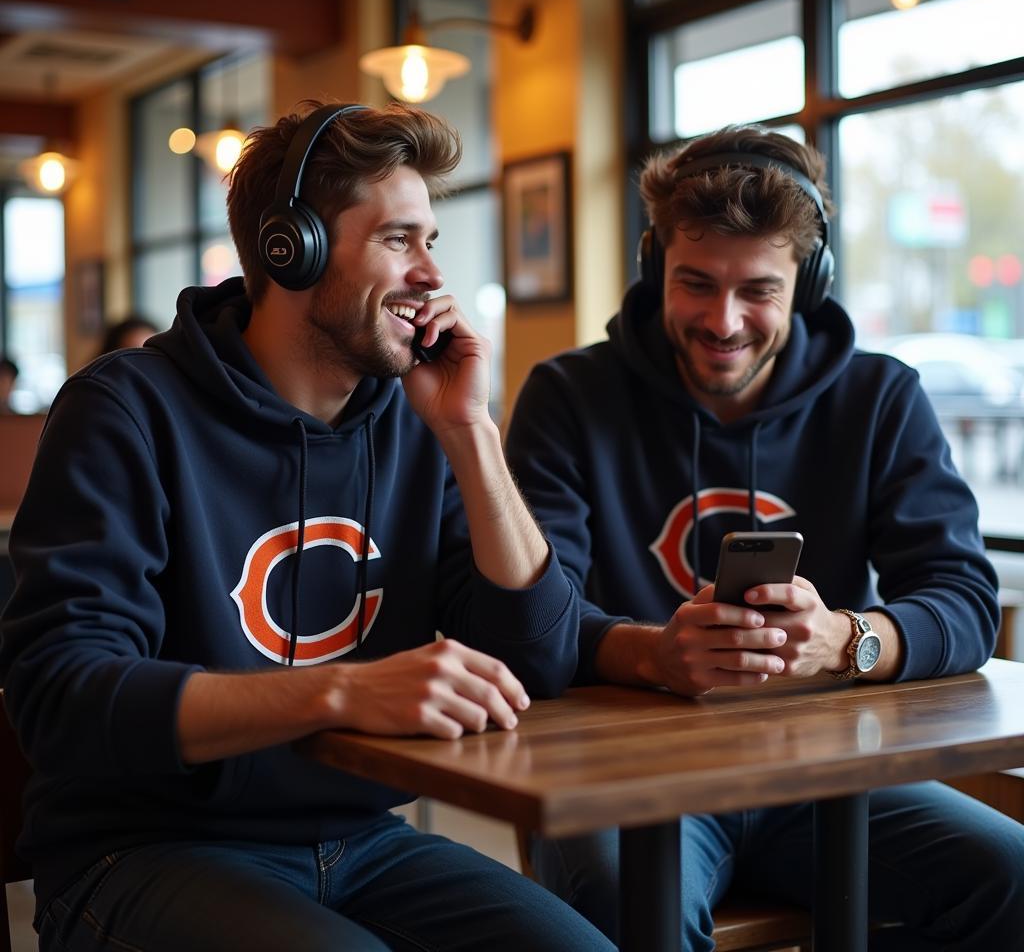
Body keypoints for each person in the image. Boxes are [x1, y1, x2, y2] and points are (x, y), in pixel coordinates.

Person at [0, 101, 614, 952]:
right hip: (140, 851)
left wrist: (470, 432)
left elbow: (538, 659)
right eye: (399, 240)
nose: (432, 275)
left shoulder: (413, 418)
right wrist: (346, 690)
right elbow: (62, 696)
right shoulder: (125, 410)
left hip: (363, 844)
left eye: (430, 241)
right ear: (292, 249)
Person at [505, 124, 1024, 950]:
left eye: (759, 290)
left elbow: (963, 599)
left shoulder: (880, 398)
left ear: (807, 283)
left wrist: (844, 640)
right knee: (634, 907)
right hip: (628, 777)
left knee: (1013, 876)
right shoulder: (569, 398)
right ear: (654, 267)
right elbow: (529, 624)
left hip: (827, 772)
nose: (725, 320)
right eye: (696, 283)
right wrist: (651, 654)